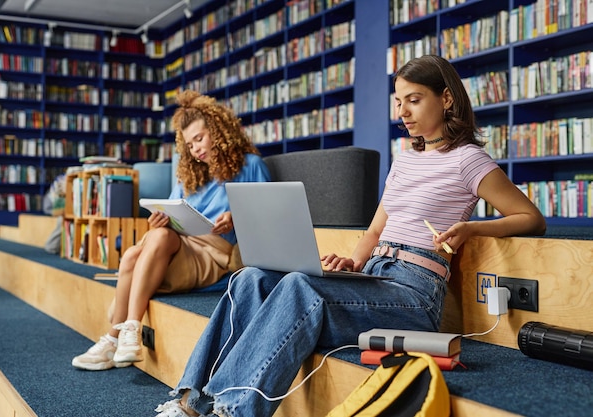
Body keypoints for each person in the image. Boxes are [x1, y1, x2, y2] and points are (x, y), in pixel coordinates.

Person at [154, 55, 546, 417]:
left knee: (298, 288)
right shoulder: (405, 159)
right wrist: (353, 262)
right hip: (374, 275)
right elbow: (376, 230)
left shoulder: (468, 159)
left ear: (446, 99)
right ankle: (189, 401)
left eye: (413, 99)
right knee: (249, 278)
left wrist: (471, 227)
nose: (402, 111)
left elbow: (530, 217)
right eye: (398, 101)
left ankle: (232, 410)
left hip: (415, 294)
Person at [71, 90, 271, 371]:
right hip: (179, 244)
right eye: (190, 145)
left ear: (218, 130)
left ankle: (118, 336)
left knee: (143, 249)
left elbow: (268, 217)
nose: (196, 149)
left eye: (200, 138)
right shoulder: (190, 174)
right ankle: (121, 336)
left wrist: (238, 217)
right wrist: (158, 222)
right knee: (137, 251)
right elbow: (170, 211)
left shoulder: (251, 166)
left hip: (213, 254)